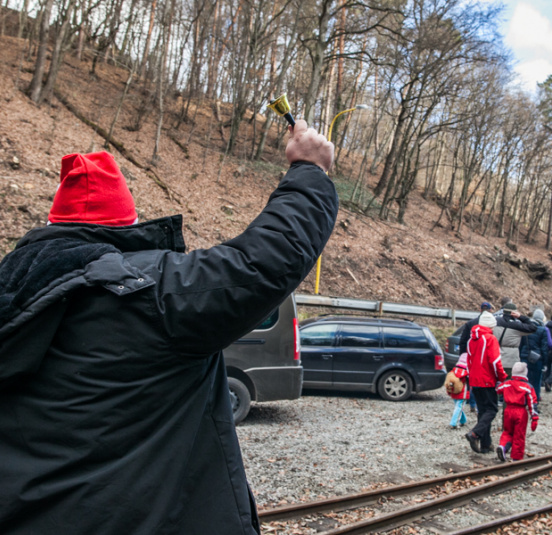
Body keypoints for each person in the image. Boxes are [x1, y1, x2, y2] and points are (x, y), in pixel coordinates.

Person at [0, 121, 338, 534]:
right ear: (127, 225)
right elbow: (261, 264)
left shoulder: (14, 290)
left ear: (54, 225)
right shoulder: (145, 292)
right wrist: (309, 172)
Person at [465, 312, 507, 454]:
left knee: (483, 411)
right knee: (492, 409)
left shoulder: (471, 340)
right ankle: (475, 433)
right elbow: (495, 361)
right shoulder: (490, 339)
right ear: (491, 325)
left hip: (474, 380)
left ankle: (485, 444)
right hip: (487, 379)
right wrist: (502, 376)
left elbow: (469, 361)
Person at [495, 362, 539, 462]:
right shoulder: (527, 387)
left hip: (508, 411)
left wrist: (497, 382)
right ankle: (516, 457)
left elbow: (498, 389)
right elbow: (532, 402)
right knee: (519, 435)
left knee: (507, 432)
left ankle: (503, 447)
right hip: (520, 412)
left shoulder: (507, 384)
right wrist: (534, 417)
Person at [493, 302, 538, 377]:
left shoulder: (494, 322)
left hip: (495, 358)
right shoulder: (517, 325)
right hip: (511, 360)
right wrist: (520, 317)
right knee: (508, 383)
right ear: (514, 313)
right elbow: (533, 327)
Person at [525, 308, 552, 404]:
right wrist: (545, 363)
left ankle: (525, 401)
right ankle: (534, 402)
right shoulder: (543, 330)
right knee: (536, 382)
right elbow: (544, 348)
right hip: (538, 359)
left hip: (525, 357)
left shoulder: (526, 327)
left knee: (526, 380)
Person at [447, 353, 470, 428]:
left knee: (458, 406)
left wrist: (449, 392)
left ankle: (463, 420)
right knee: (459, 407)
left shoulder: (453, 371)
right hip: (462, 394)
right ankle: (454, 423)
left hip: (454, 392)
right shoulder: (467, 373)